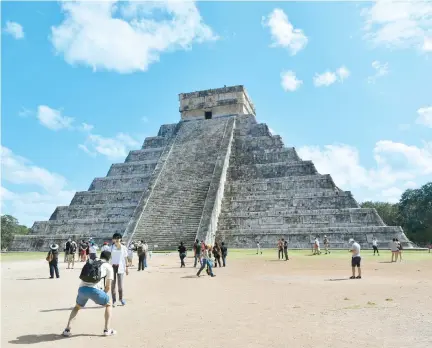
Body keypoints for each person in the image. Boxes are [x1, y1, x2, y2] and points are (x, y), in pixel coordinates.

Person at [62, 251, 116, 337]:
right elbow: (108, 287)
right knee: (109, 304)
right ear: (109, 258)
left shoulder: (92, 261)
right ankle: (107, 330)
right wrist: (103, 294)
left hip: (82, 288)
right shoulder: (108, 266)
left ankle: (67, 329)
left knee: (77, 307)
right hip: (95, 290)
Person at [110, 233, 129, 306]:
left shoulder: (124, 248)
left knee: (120, 285)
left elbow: (125, 258)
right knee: (113, 285)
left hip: (120, 267)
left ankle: (121, 299)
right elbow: (108, 258)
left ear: (120, 239)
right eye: (115, 238)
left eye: (118, 238)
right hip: (112, 267)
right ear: (113, 239)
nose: (117, 239)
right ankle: (114, 300)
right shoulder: (111, 247)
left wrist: (127, 267)